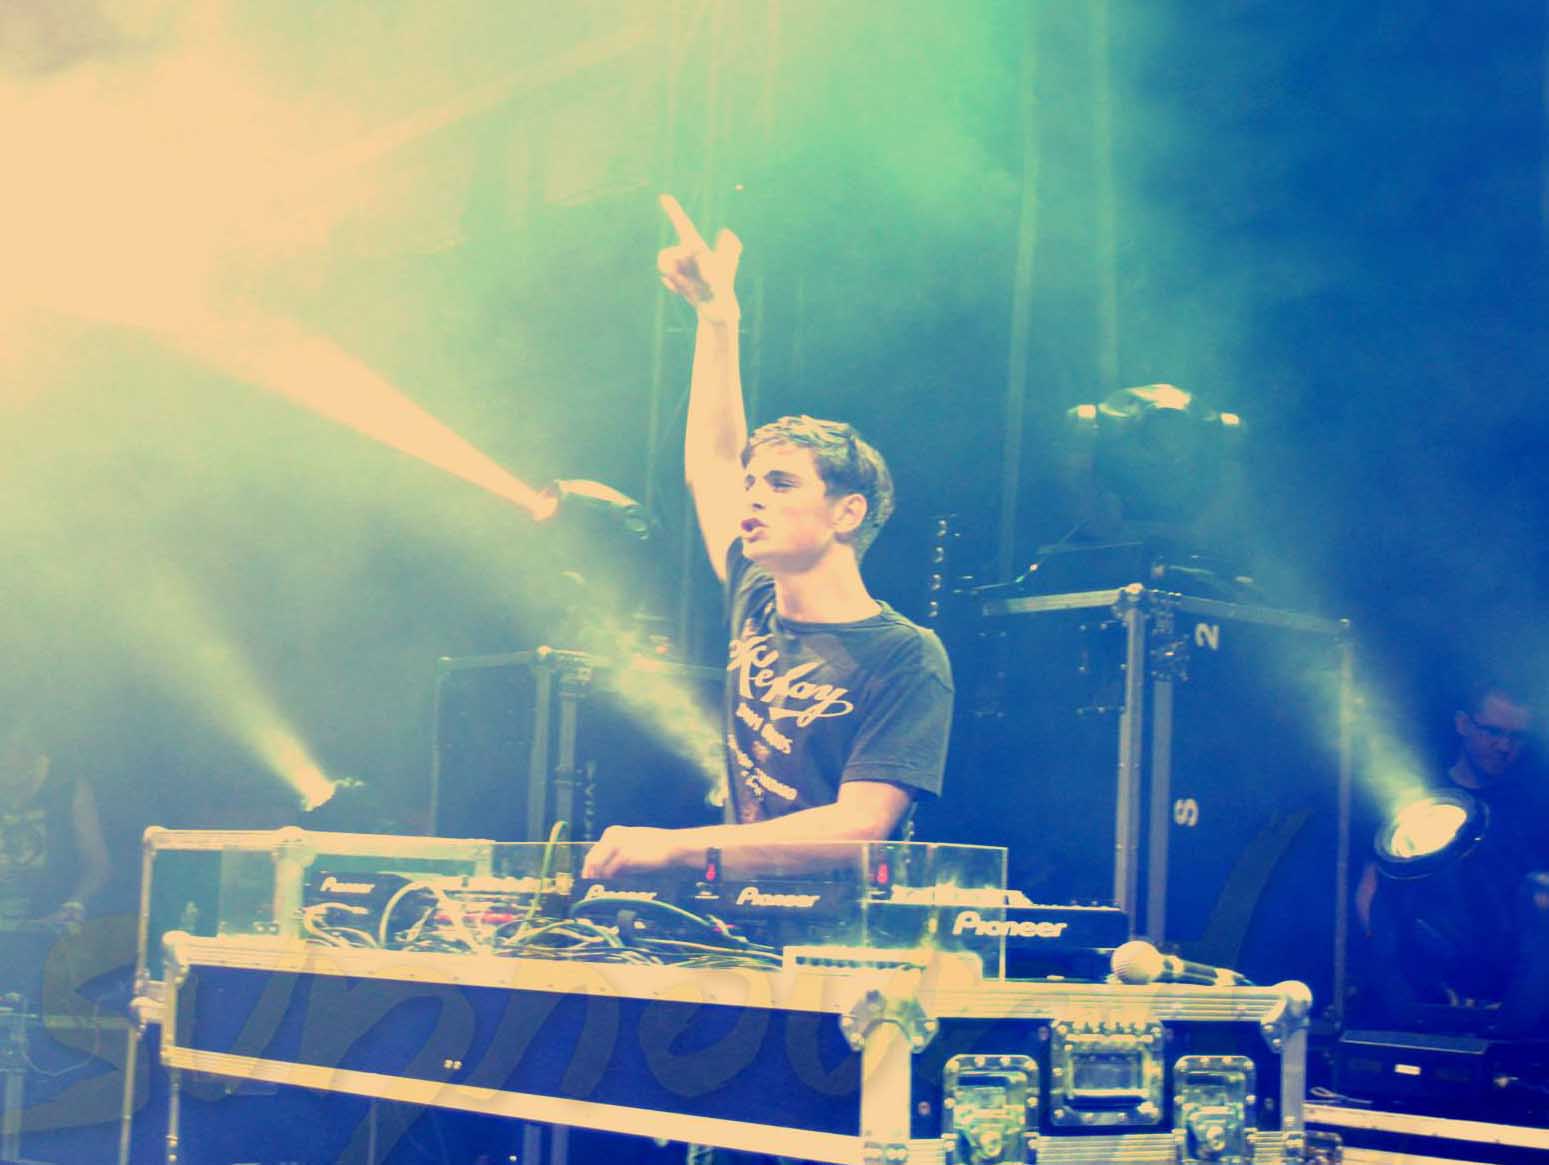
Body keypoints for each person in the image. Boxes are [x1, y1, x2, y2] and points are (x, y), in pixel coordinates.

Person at [581, 194, 953, 882]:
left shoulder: (905, 656)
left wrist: (679, 846)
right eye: (753, 482)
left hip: (843, 929)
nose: (752, 495)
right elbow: (713, 463)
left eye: (780, 484)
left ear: (847, 512)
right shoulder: (756, 597)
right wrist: (717, 320)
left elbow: (859, 826)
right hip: (741, 909)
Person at [1354, 681, 1549, 1033]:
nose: (1504, 747)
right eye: (1492, 732)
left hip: (1512, 973)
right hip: (1429, 966)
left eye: (1516, 737)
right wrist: (1385, 968)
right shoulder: (1421, 801)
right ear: (1462, 724)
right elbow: (1371, 888)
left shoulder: (1533, 805)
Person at [0, 717, 111, 997]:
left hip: (45, 939)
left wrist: (74, 903)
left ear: (34, 756)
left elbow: (99, 867)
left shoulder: (67, 789)